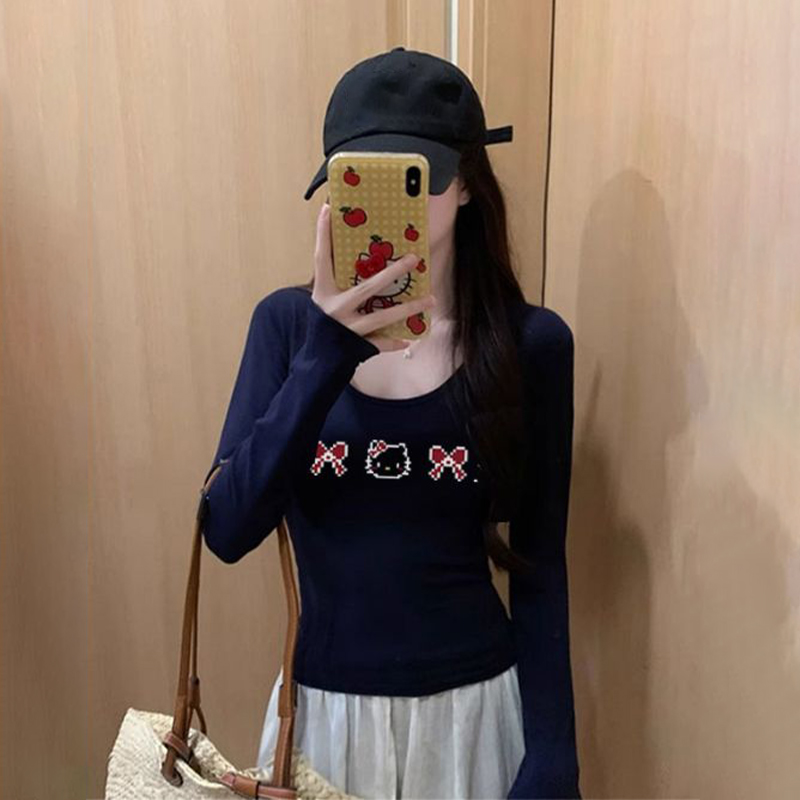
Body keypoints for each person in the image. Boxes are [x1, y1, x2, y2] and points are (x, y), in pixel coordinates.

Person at [200, 47, 581, 800]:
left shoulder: (530, 345)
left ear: (466, 183)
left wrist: (553, 754)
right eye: (356, 179)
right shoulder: (287, 328)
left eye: (411, 177)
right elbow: (228, 529)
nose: (379, 203)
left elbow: (540, 565)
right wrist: (326, 352)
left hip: (473, 715)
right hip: (323, 720)